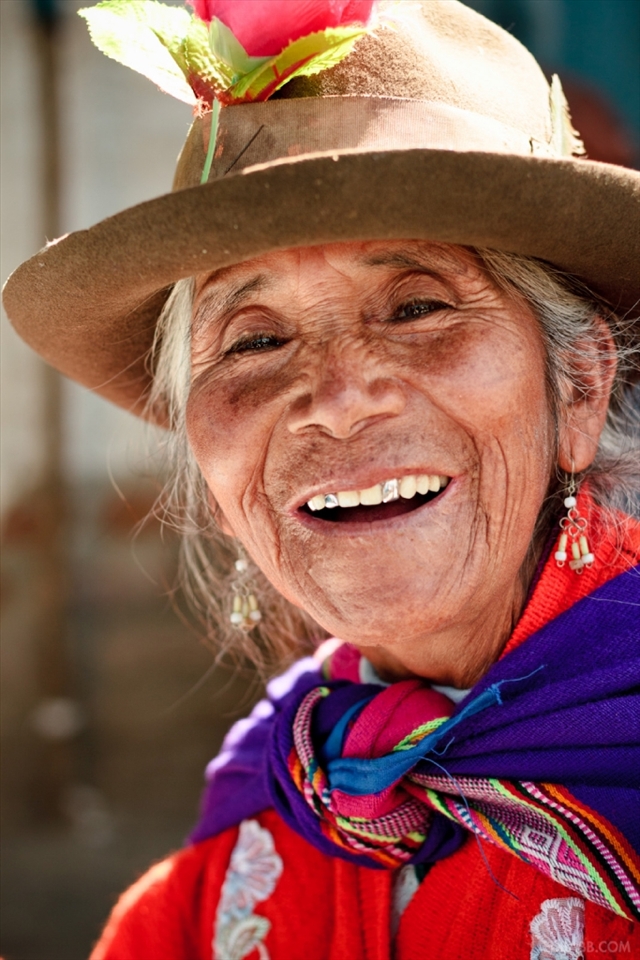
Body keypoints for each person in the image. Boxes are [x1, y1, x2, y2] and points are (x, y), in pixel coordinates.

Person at [3, 1, 639, 957]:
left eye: (418, 306)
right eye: (254, 340)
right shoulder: (260, 815)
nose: (335, 401)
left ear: (580, 387)